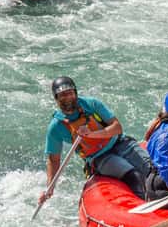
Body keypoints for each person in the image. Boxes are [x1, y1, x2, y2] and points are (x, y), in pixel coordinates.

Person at [38, 76, 153, 206]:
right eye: (62, 95)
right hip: (99, 157)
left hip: (120, 143)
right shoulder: (56, 127)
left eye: (70, 93)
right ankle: (144, 210)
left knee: (151, 169)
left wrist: (91, 134)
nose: (67, 98)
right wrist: (49, 187)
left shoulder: (91, 104)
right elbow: (53, 160)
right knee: (134, 176)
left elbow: (117, 127)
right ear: (56, 98)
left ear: (75, 93)